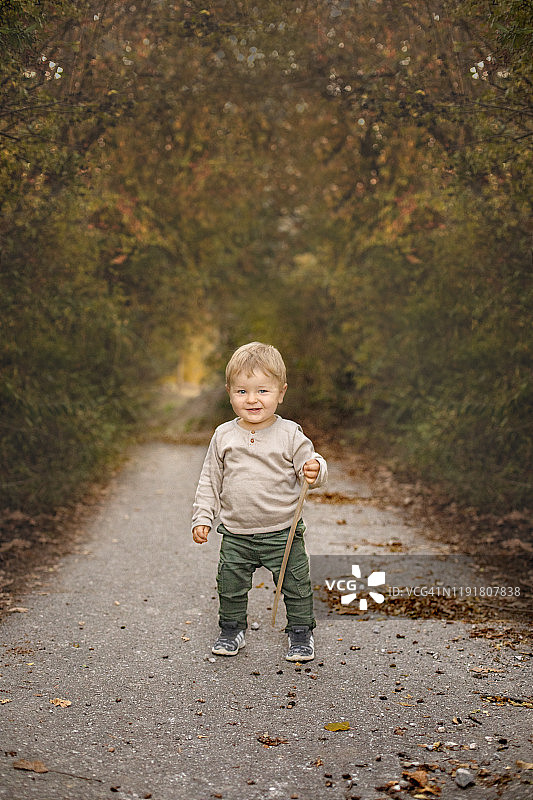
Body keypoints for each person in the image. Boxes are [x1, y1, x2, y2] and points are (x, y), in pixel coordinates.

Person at [191, 341, 327, 662]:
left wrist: (315, 469)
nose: (252, 400)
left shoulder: (290, 434)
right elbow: (210, 479)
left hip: (283, 532)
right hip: (236, 533)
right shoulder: (223, 435)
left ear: (281, 392)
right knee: (230, 585)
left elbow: (313, 466)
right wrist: (203, 518)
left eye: (263, 391)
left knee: (295, 585)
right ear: (229, 392)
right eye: (242, 392)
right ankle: (231, 628)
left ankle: (300, 632)